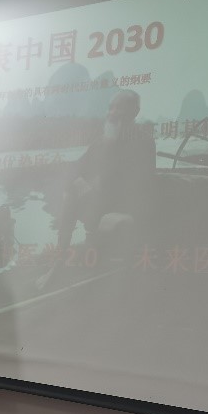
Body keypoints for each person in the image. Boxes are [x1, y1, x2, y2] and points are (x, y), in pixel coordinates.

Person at [38, 89, 155, 288]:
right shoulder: (102, 141)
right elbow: (75, 169)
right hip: (102, 205)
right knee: (71, 193)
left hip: (128, 210)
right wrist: (79, 182)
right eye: (111, 107)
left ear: (134, 112)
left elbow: (143, 187)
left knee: (79, 196)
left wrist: (125, 213)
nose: (112, 112)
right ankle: (58, 263)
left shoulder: (143, 142)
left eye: (119, 108)